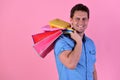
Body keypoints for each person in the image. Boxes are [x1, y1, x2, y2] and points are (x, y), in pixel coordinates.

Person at [54, 3, 97, 80]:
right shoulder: (62, 42)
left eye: (84, 19)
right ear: (71, 20)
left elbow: (93, 69)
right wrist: (79, 42)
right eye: (77, 18)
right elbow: (71, 64)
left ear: (88, 20)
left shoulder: (90, 43)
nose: (81, 22)